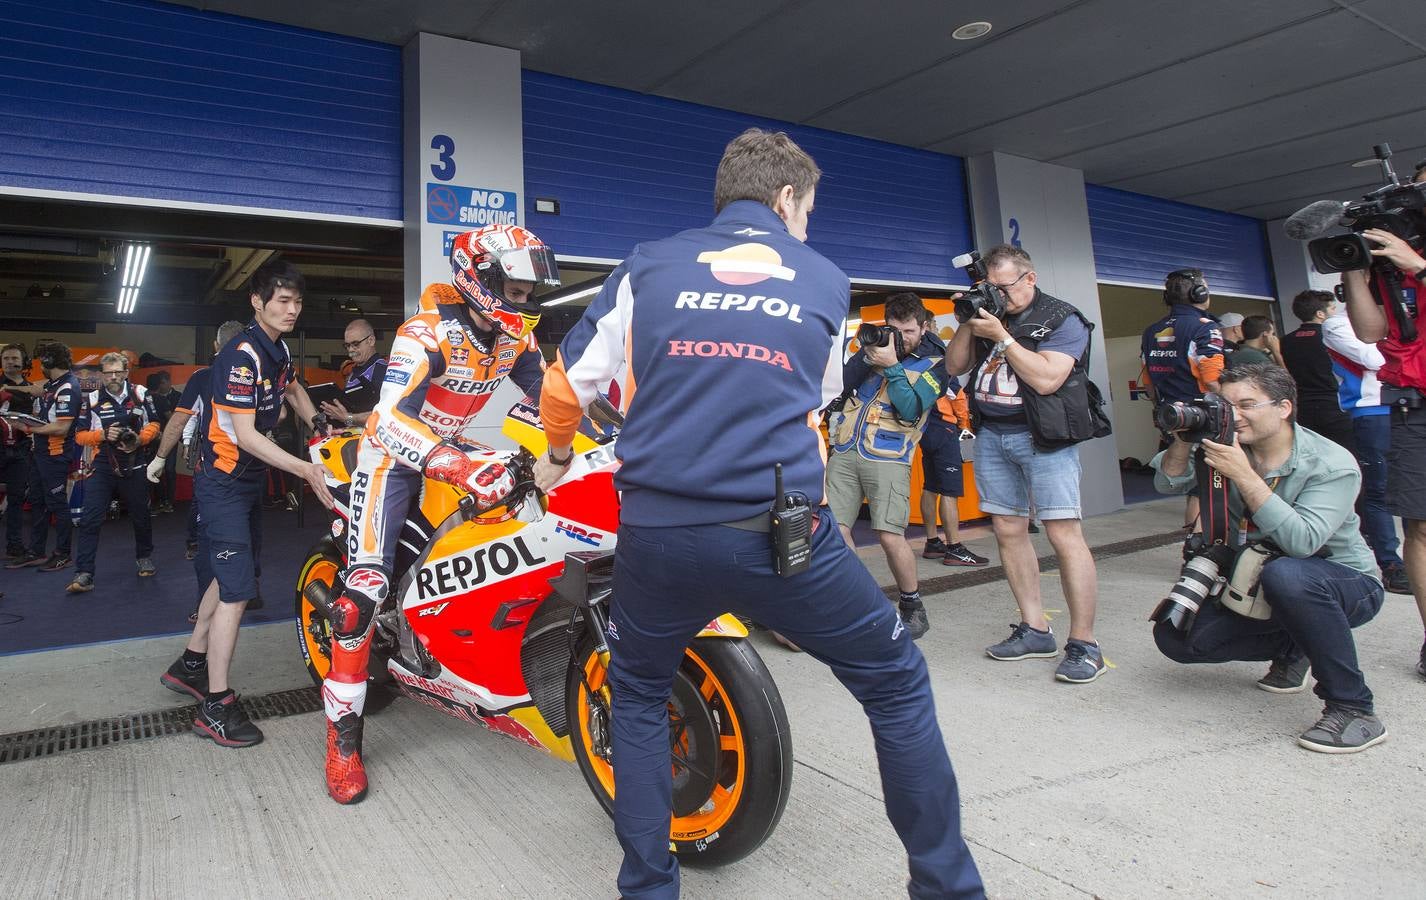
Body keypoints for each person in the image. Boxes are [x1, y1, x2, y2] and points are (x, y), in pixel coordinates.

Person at [534, 127, 984, 900]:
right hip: (782, 538)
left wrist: (555, 454)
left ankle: (648, 889)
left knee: (639, 693)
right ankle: (948, 889)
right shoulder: (827, 279)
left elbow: (564, 387)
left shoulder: (647, 263)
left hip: (660, 536)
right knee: (897, 682)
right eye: (807, 210)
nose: (808, 225)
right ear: (783, 199)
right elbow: (807, 404)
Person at [320, 224, 558, 805]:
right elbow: (388, 419)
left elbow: (553, 400)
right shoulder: (423, 333)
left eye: (529, 292)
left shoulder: (515, 341)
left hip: (448, 452)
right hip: (391, 458)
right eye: (517, 289)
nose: (525, 302)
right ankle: (341, 738)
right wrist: (455, 464)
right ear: (480, 278)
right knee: (362, 596)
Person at [1151, 363, 1387, 753]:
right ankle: (1295, 647)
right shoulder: (1224, 447)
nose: (1233, 416)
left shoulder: (1330, 463)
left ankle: (1354, 708)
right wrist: (1184, 437)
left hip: (1343, 584)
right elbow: (1167, 480)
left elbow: (1302, 542)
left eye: (1246, 405)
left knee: (1288, 575)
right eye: (1225, 407)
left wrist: (1244, 475)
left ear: (1284, 407)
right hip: (1257, 579)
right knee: (1176, 638)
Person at [158, 263, 334, 748]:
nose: (292, 310)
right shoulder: (240, 356)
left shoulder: (275, 350)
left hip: (246, 481)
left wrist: (319, 423)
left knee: (229, 571)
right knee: (237, 590)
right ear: (257, 302)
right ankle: (215, 706)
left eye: (297, 302)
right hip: (223, 484)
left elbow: (293, 388)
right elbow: (246, 434)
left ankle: (192, 663)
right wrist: (304, 468)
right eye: (282, 301)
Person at [944, 244, 1105, 683]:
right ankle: (1034, 627)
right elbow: (955, 367)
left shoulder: (1062, 318)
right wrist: (968, 320)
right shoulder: (990, 314)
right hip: (993, 435)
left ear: (1029, 278)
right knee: (1008, 529)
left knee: (1062, 532)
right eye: (989, 287)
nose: (998, 295)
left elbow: (1047, 378)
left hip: (1044, 438)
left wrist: (1003, 336)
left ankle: (1084, 643)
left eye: (1004, 287)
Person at [1340, 158, 1426, 679]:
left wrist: (1419, 265)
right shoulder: (1387, 263)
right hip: (1414, 404)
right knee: (1419, 525)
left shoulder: (1410, 260)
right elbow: (1370, 332)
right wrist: (1355, 268)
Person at [825, 292, 945, 638]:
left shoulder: (936, 363)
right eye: (894, 329)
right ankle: (857, 601)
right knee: (835, 529)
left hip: (889, 458)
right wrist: (868, 356)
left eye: (908, 331)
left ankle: (912, 603)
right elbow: (842, 385)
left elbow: (910, 409)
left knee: (890, 535)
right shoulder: (873, 350)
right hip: (846, 451)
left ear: (924, 327)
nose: (900, 338)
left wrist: (892, 365)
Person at [1322, 302, 1410, 594]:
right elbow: (1377, 360)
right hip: (1371, 411)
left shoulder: (1401, 315)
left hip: (1410, 407)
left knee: (1414, 490)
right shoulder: (1337, 324)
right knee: (1380, 492)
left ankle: (1414, 559)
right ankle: (1391, 565)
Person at [147, 322, 246, 564]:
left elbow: (183, 417)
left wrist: (160, 457)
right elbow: (188, 417)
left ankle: (207, 553)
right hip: (233, 460)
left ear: (215, 345)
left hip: (223, 462)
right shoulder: (208, 377)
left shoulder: (206, 377)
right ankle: (203, 547)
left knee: (211, 512)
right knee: (211, 510)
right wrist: (189, 441)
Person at [65, 352, 161, 593]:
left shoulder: (140, 393)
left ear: (126, 372)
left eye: (118, 372)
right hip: (104, 465)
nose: (114, 376)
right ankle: (84, 572)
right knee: (90, 518)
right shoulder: (92, 399)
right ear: (102, 375)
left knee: (141, 514)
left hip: (135, 461)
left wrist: (140, 439)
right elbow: (79, 435)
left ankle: (144, 556)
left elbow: (155, 424)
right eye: (109, 373)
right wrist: (103, 435)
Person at [1140, 268, 1226, 531]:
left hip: (1172, 418)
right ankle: (1208, 549)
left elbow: (1149, 383)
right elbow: (1212, 380)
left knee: (1195, 490)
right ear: (1200, 293)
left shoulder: (1152, 330)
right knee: (1212, 489)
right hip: (1206, 419)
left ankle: (1193, 548)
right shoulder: (1206, 328)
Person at [916, 313, 988, 568]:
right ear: (926, 325)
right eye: (934, 323)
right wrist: (964, 423)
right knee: (949, 490)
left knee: (931, 485)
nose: (936, 327)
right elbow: (953, 389)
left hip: (925, 426)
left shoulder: (913, 352)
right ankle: (954, 547)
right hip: (943, 425)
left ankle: (932, 541)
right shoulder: (936, 349)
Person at [6, 342, 81, 572]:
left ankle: (63, 554)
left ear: (49, 362)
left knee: (57, 504)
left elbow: (61, 428)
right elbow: (38, 389)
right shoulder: (54, 383)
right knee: (37, 500)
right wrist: (12, 390)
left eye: (42, 362)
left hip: (55, 455)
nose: (40, 367)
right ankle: (36, 552)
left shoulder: (67, 387)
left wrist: (28, 428)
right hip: (41, 453)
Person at [1280, 290, 1356, 453]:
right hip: (1334, 405)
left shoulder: (1286, 340)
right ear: (1320, 314)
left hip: (1302, 408)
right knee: (1345, 455)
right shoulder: (1331, 336)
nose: (1335, 313)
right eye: (1333, 309)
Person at [319, 318, 386, 430]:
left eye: (355, 344)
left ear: (371, 340)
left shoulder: (382, 370)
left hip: (375, 442)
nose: (350, 350)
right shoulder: (352, 373)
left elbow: (387, 415)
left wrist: (347, 418)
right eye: (347, 345)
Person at [1, 343, 36, 560]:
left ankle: (14, 545)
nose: (11, 362)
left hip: (21, 450)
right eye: (6, 358)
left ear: (23, 362)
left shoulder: (32, 389)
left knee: (15, 500)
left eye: (15, 358)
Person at [146, 371, 180, 513]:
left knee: (159, 470)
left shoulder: (142, 398)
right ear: (160, 385)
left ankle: (163, 501)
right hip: (160, 438)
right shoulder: (157, 399)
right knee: (164, 470)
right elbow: (172, 419)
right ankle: (164, 502)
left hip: (153, 439)